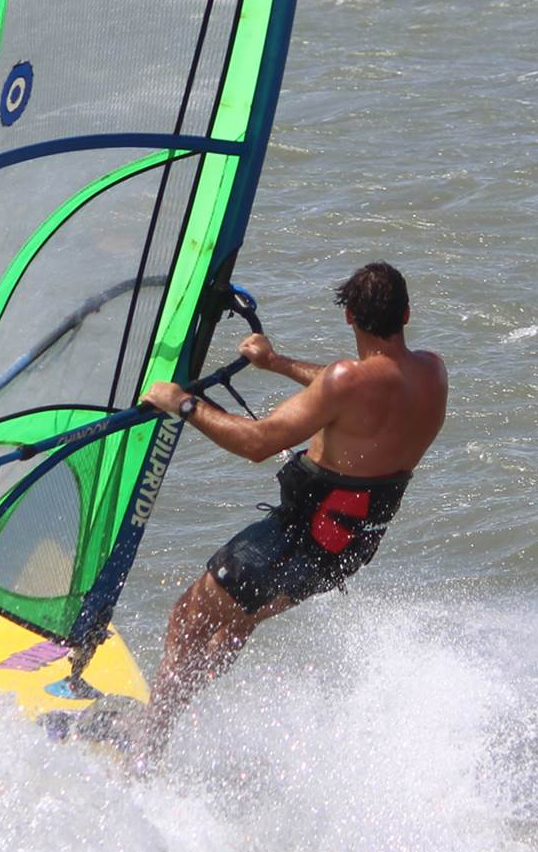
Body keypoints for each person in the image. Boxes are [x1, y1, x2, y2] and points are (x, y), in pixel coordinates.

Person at [128, 261, 447, 754]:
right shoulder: (432, 373)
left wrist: (183, 403)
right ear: (406, 313)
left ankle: (148, 740)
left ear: (349, 317)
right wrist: (275, 362)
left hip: (295, 538)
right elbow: (348, 384)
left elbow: (257, 443)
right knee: (234, 623)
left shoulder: (347, 381)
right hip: (348, 549)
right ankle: (164, 720)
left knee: (188, 616)